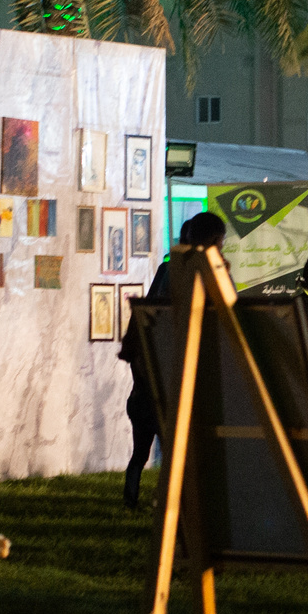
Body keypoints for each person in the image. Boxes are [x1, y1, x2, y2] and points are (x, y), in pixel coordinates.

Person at [123, 211, 228, 507]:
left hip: (152, 373)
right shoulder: (204, 271)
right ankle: (172, 501)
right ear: (215, 241)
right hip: (177, 372)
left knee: (143, 450)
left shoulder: (167, 270)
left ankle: (140, 497)